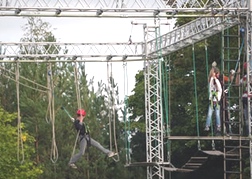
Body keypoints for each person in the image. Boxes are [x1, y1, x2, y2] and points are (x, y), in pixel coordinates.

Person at [204, 67, 222, 134]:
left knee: (217, 115)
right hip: (212, 101)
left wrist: (215, 78)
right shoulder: (211, 84)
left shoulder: (218, 88)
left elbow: (219, 88)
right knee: (209, 114)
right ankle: (207, 125)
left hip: (216, 102)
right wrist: (213, 75)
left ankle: (218, 126)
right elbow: (211, 82)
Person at [236, 62, 252, 136]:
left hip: (249, 97)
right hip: (245, 98)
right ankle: (248, 132)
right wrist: (238, 74)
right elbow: (237, 83)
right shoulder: (245, 77)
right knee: (247, 117)